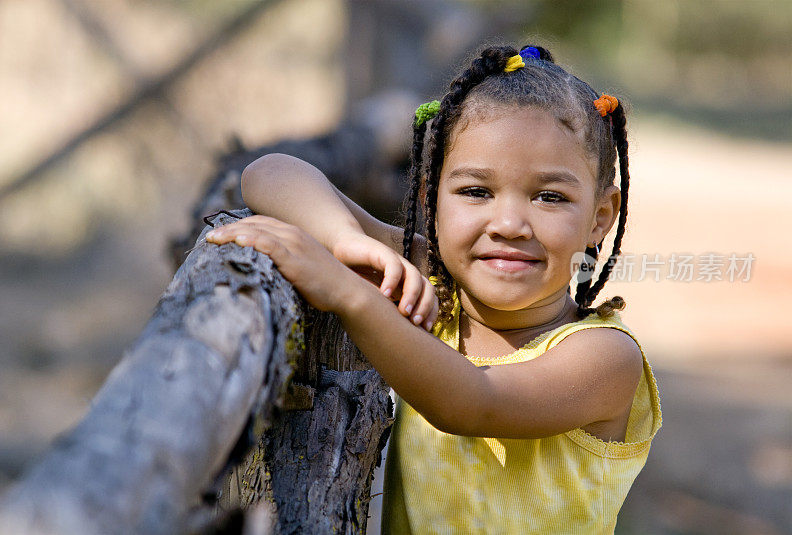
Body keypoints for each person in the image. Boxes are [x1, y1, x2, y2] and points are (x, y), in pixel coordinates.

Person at [205, 44, 663, 534]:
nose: (508, 223)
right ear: (431, 198)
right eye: (475, 192)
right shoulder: (432, 281)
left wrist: (345, 290)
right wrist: (346, 240)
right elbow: (268, 174)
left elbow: (473, 402)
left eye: (549, 197)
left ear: (599, 219)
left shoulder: (606, 359)